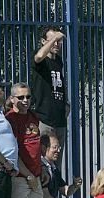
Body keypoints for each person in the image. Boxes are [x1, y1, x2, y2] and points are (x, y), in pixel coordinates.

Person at [6, 83, 43, 198]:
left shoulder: (33, 116)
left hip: (36, 176)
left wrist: (41, 170)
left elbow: (36, 147)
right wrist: (29, 175)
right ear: (12, 99)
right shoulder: (9, 120)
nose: (25, 100)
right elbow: (13, 154)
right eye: (21, 97)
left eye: (28, 96)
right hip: (20, 177)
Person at [32, 26, 68, 169]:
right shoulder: (40, 59)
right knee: (42, 163)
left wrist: (66, 105)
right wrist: (55, 37)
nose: (56, 44)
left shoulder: (58, 61)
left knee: (55, 165)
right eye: (53, 40)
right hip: (44, 119)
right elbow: (39, 57)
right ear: (43, 41)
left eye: (59, 41)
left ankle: (56, 190)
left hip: (59, 120)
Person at [40, 133, 88, 198]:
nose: (58, 151)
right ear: (44, 148)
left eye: (59, 148)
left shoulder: (53, 168)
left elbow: (66, 192)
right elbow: (45, 197)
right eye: (55, 147)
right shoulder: (40, 167)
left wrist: (74, 186)